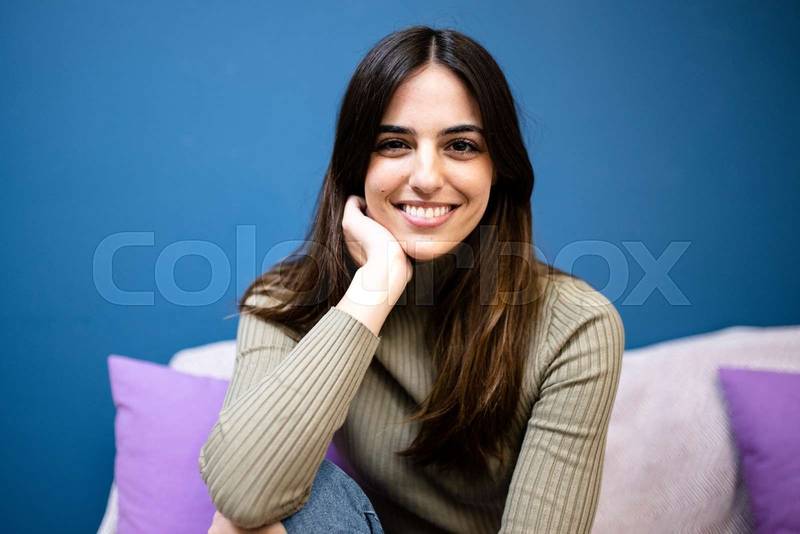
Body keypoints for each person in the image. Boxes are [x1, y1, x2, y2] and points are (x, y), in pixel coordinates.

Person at [199, 25, 624, 534]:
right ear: (358, 165)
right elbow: (243, 496)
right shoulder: (285, 302)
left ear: (499, 169)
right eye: (395, 143)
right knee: (271, 495)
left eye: (461, 145)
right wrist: (374, 288)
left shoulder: (578, 326)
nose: (425, 177)